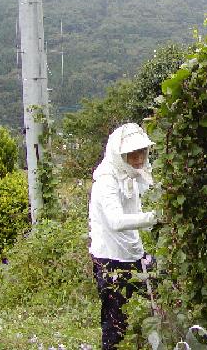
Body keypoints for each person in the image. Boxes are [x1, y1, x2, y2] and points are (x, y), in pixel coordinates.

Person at [88, 123, 157, 350]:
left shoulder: (133, 175)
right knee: (115, 323)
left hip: (135, 255)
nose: (138, 159)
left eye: (142, 153)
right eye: (132, 154)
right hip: (109, 260)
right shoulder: (107, 180)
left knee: (159, 301)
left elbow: (136, 215)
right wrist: (154, 217)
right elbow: (117, 221)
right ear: (120, 155)